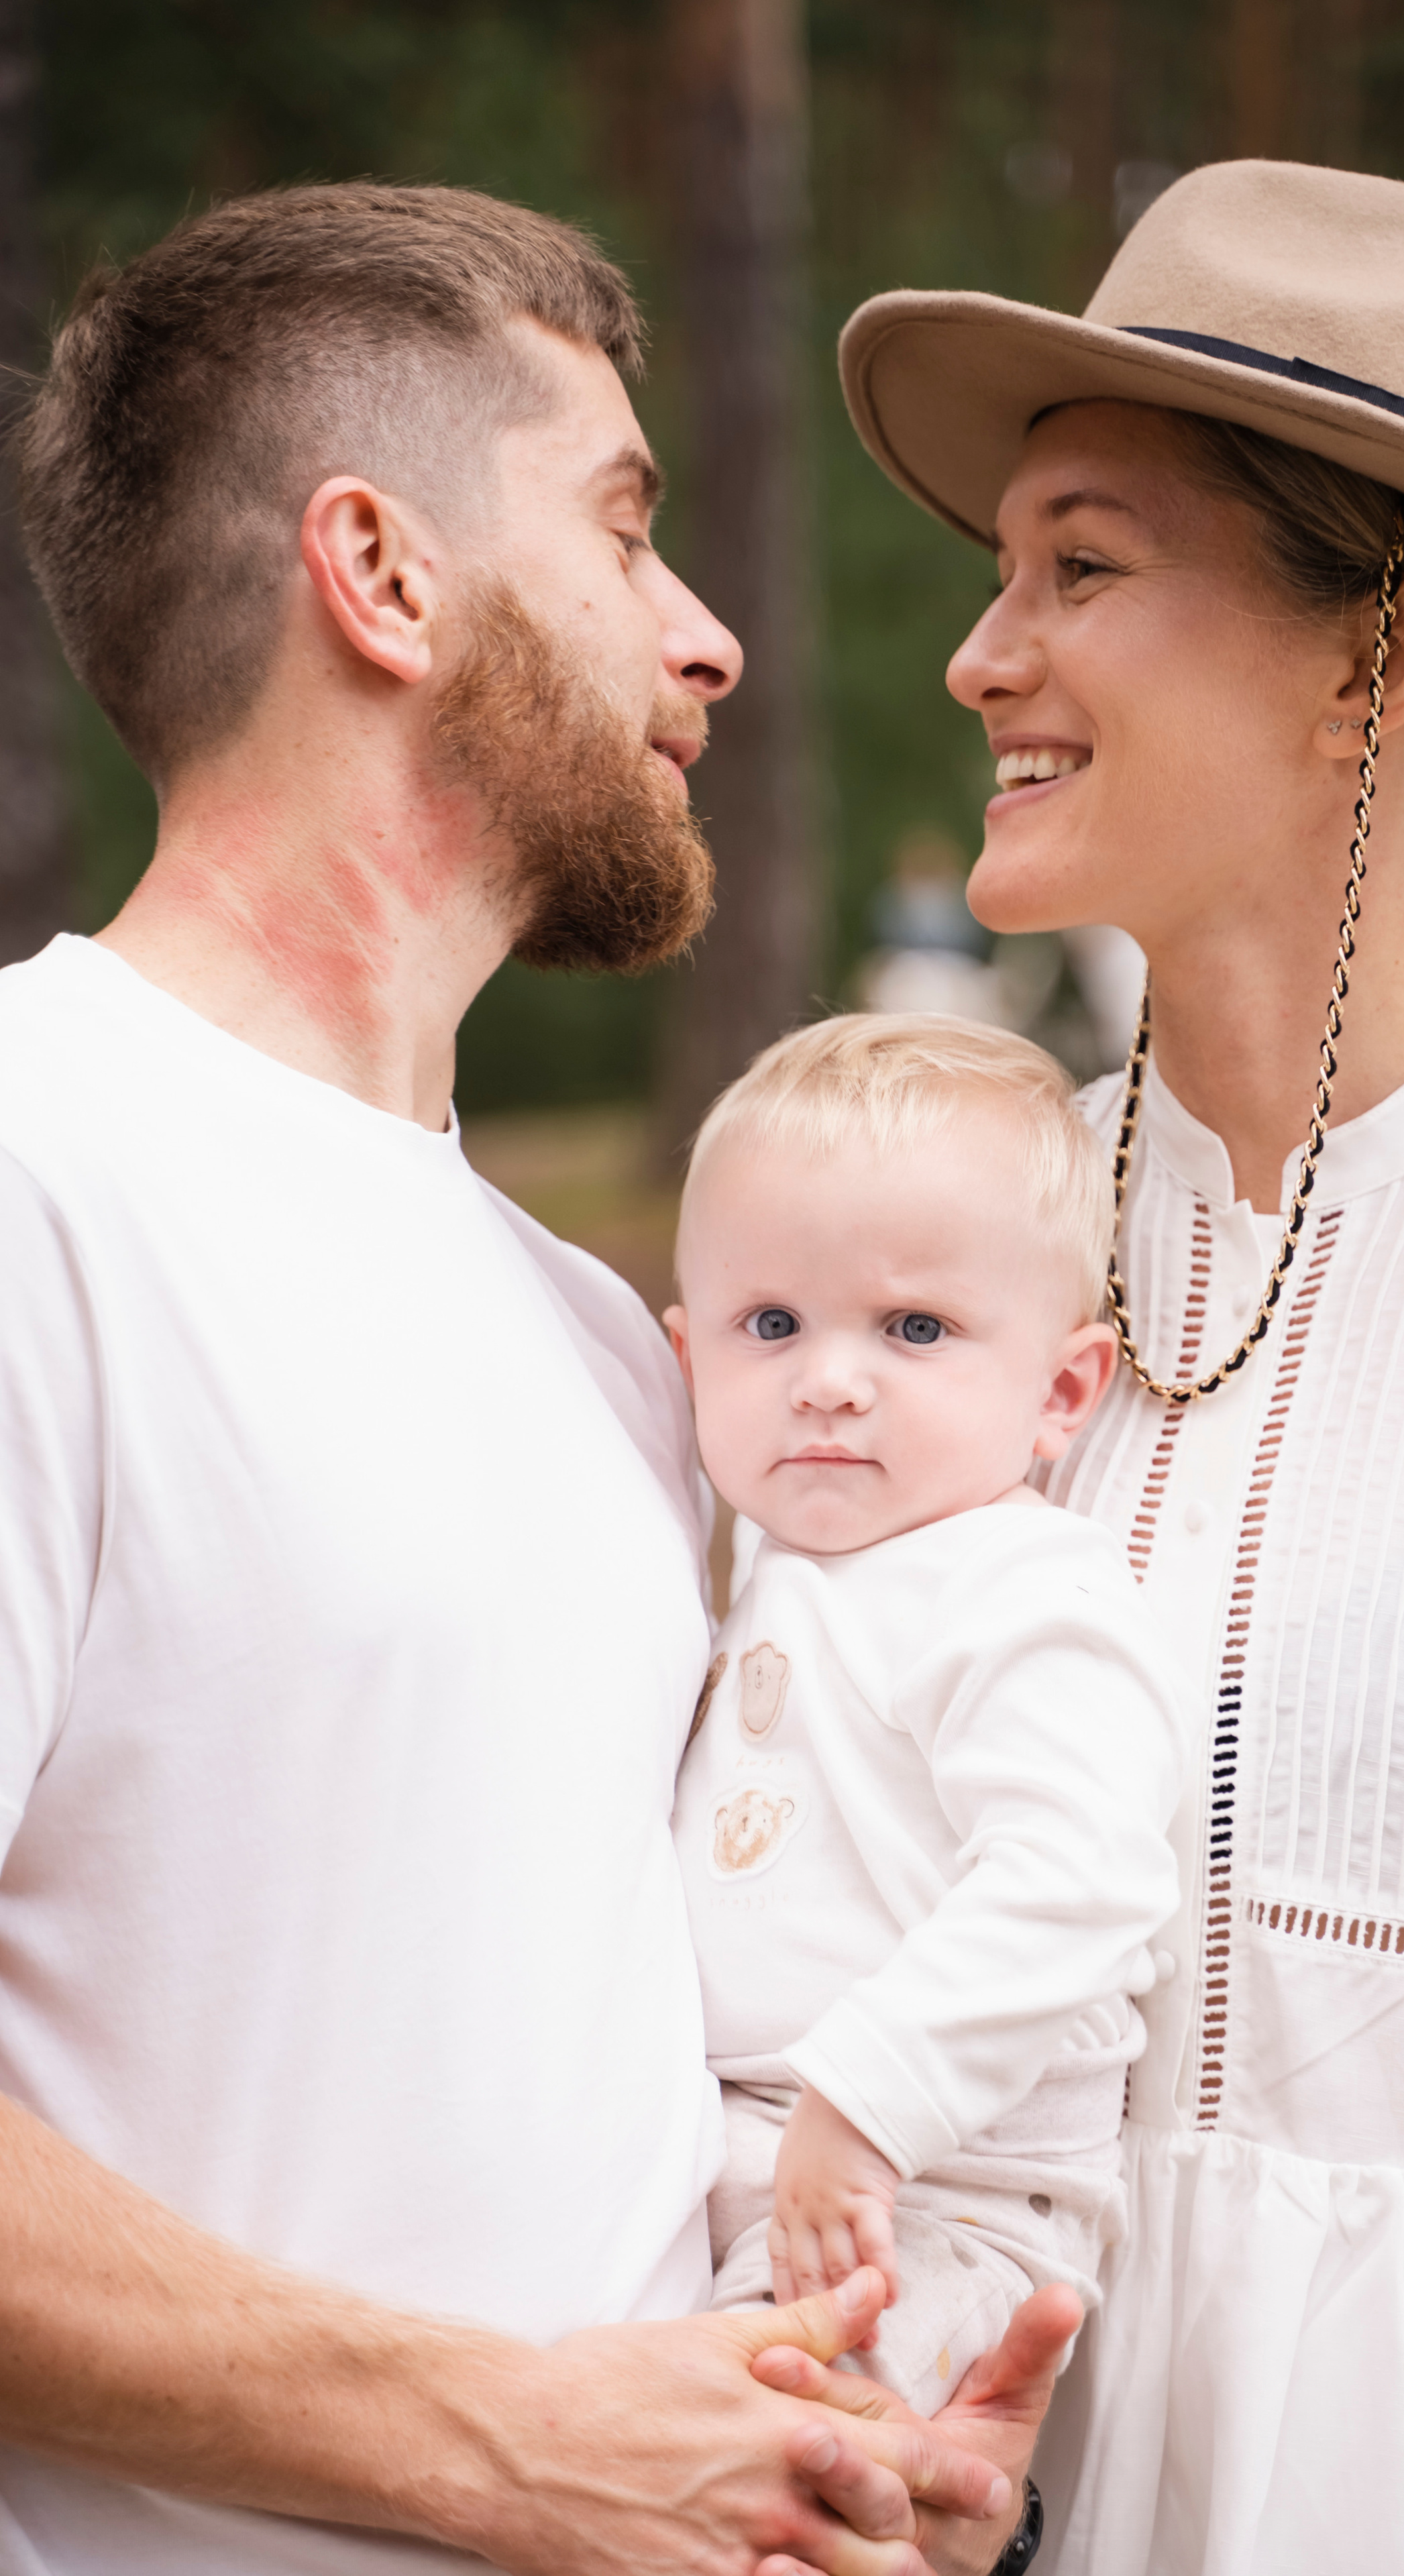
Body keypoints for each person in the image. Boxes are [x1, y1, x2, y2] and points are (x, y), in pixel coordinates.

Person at [0, 181, 1062, 2576]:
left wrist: (825, 2445)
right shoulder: (35, 1172)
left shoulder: (605, 1340)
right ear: (380, 577)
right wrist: (506, 2450)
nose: (711, 647)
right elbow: (528, 2407)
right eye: (623, 528)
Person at [836, 157, 1404, 2572]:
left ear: (1377, 657)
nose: (981, 655)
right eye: (998, 571)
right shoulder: (928, 1260)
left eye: (1082, 568)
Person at [665, 1015, 1185, 2415]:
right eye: (769, 1325)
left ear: (1060, 1391)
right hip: (745, 2148)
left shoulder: (1020, 1585)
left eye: (914, 1329)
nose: (829, 1377)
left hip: (943, 2190)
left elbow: (1082, 1877)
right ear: (687, 1356)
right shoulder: (774, 1562)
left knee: (776, 2445)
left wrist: (866, 2100)